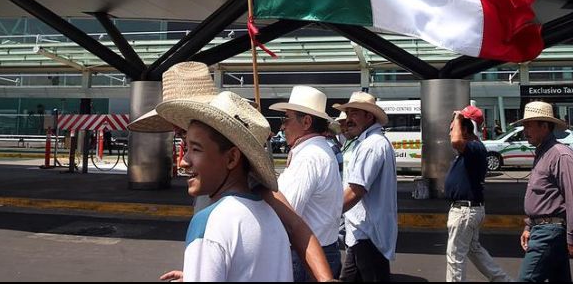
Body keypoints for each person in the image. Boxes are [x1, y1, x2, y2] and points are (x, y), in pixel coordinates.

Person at [128, 62, 333, 282]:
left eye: (186, 127)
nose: (185, 156)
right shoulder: (220, 180)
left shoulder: (245, 179)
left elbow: (295, 225)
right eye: (179, 132)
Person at [155, 90, 293, 281]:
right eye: (186, 148)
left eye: (196, 149)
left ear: (231, 158)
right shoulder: (270, 217)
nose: (184, 161)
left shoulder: (209, 223)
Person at [270, 86, 344, 281]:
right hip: (321, 250)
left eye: (286, 119)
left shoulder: (309, 157)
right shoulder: (318, 151)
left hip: (305, 257)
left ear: (306, 122)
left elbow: (285, 213)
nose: (282, 126)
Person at [516, 101, 573, 282]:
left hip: (550, 233)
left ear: (545, 126)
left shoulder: (560, 155)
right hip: (542, 228)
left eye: (529, 125)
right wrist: (529, 225)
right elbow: (542, 195)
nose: (525, 130)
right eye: (524, 125)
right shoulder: (543, 152)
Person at [334, 92, 397, 282]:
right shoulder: (369, 142)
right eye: (348, 113)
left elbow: (355, 190)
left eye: (354, 113)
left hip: (368, 233)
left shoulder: (371, 145)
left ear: (369, 116)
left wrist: (329, 214)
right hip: (363, 231)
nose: (348, 119)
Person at [445, 106, 512, 282]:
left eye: (454, 128)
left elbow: (456, 142)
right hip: (468, 210)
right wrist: (458, 118)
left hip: (464, 211)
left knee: (455, 258)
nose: (451, 132)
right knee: (474, 250)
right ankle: (503, 280)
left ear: (466, 129)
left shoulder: (474, 147)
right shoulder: (471, 150)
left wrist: (458, 117)